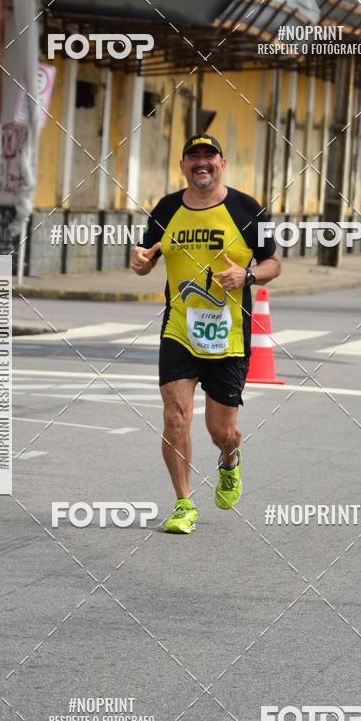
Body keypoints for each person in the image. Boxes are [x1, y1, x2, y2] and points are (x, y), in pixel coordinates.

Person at [130, 134, 281, 534]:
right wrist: (141, 261)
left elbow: (273, 264)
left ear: (222, 163)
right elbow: (147, 259)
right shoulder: (165, 208)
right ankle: (183, 503)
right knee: (175, 415)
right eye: (194, 157)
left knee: (221, 430)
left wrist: (246, 275)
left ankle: (230, 460)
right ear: (182, 165)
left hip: (228, 335)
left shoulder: (245, 209)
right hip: (179, 328)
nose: (202, 163)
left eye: (209, 156)